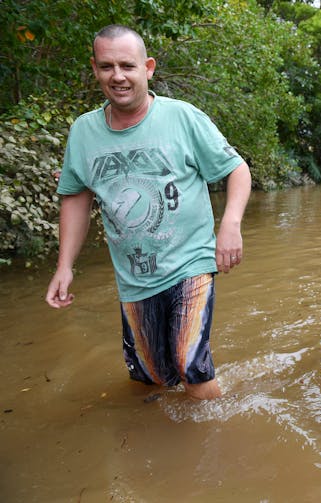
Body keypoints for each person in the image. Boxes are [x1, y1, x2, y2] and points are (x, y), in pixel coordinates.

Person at [44, 25, 251, 400]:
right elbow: (75, 196)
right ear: (95, 69)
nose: (118, 76)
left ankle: (218, 448)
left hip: (191, 263)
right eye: (107, 66)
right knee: (153, 379)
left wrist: (230, 225)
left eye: (127, 65)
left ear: (148, 68)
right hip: (134, 277)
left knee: (191, 366)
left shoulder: (182, 118)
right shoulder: (84, 133)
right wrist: (65, 266)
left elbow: (236, 169)